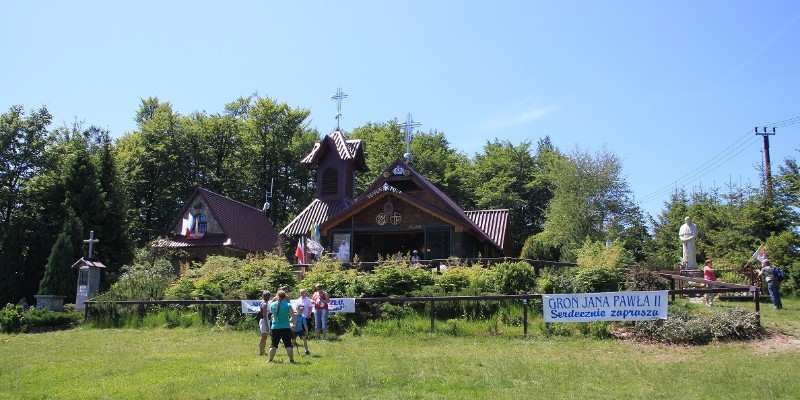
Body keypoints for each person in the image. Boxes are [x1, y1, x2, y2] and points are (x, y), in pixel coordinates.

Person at [269, 290, 297, 363]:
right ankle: (291, 360)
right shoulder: (288, 305)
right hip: (286, 327)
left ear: (277, 296)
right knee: (288, 345)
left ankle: (270, 359)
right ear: (285, 296)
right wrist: (294, 324)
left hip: (275, 327)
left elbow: (272, 314)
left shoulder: (272, 305)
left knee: (273, 345)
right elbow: (293, 316)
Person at [258, 290, 271, 356]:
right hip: (264, 321)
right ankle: (261, 351)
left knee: (265, 337)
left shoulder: (266, 303)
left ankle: (263, 350)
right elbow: (264, 316)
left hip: (266, 320)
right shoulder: (264, 304)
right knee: (263, 337)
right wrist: (267, 325)